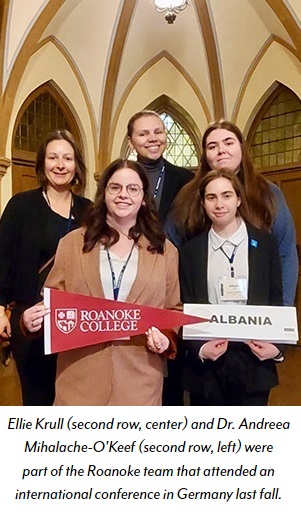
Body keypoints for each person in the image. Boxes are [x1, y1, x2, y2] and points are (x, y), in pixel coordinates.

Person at [22, 159, 181, 406]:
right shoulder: (73, 243)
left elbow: (173, 310)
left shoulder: (165, 251)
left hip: (140, 383)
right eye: (115, 187)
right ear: (104, 193)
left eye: (132, 189)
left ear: (143, 198)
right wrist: (32, 322)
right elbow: (52, 303)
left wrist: (165, 339)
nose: (123, 195)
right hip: (79, 380)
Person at [0, 129, 91, 406]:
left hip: (75, 320)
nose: (60, 165)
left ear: (77, 166)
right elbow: (1, 258)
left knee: (74, 397)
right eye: (53, 158)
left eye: (67, 158)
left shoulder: (90, 211)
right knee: (37, 399)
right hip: (30, 318)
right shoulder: (21, 205)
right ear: (42, 164)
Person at [179, 169, 285, 406]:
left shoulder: (265, 244)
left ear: (238, 199)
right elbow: (184, 305)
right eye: (211, 197)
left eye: (226, 195)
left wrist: (276, 348)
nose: (219, 204)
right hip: (207, 367)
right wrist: (200, 348)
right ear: (203, 203)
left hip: (255, 362)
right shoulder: (190, 252)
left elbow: (276, 298)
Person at [167, 120, 298, 307]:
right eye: (213, 146)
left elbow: (285, 253)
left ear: (242, 148)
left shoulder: (269, 193)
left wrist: (281, 317)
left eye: (229, 143)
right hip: (204, 310)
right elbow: (171, 248)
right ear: (205, 155)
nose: (221, 150)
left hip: (258, 312)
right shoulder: (188, 195)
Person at [127, 110, 194, 224]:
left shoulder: (186, 179)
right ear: (131, 142)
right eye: (143, 134)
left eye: (158, 132)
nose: (153, 138)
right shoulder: (121, 177)